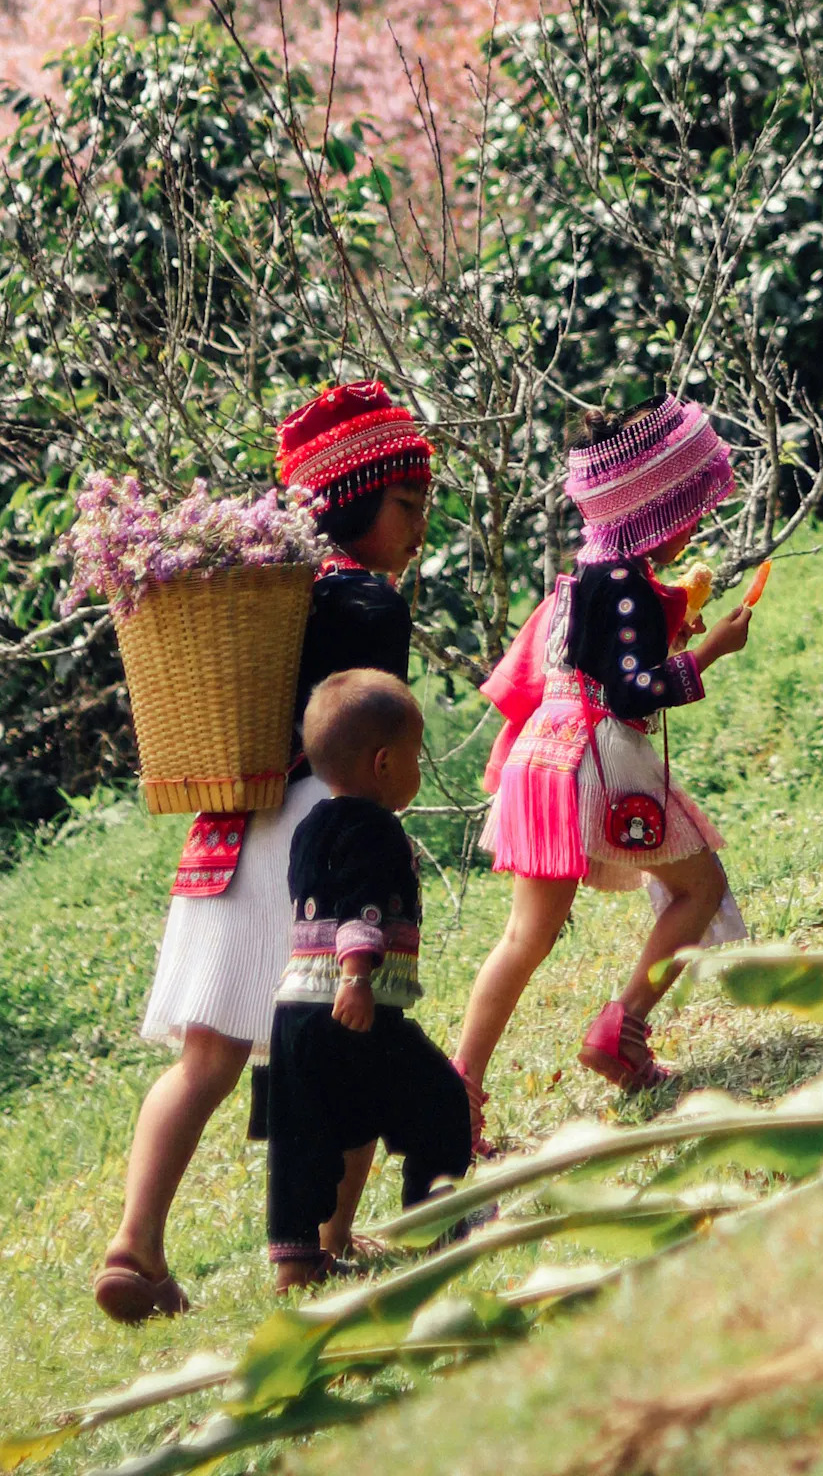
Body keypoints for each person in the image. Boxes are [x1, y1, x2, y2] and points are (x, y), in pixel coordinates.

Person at [92, 381, 431, 1324]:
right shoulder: (365, 602)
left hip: (226, 834)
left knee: (205, 1061)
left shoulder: (256, 598)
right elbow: (375, 736)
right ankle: (326, 1240)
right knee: (352, 1040)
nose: (417, 527)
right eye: (407, 505)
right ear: (354, 499)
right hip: (322, 835)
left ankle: (135, 1247)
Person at [454, 397, 753, 1137]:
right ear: (654, 508)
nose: (693, 524)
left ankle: (457, 1097)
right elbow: (631, 691)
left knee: (524, 937)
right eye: (686, 507)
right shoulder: (624, 582)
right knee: (701, 886)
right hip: (595, 755)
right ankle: (621, 1029)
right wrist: (707, 652)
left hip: (542, 756)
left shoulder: (581, 576)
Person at [263, 670, 473, 1288]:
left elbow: (316, 901)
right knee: (439, 1099)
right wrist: (356, 974)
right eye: (415, 756)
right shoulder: (374, 828)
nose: (416, 768)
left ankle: (296, 1262)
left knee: (306, 1133)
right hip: (354, 1004)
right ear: (384, 762)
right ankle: (435, 1219)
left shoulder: (311, 825)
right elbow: (362, 906)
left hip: (298, 1006)